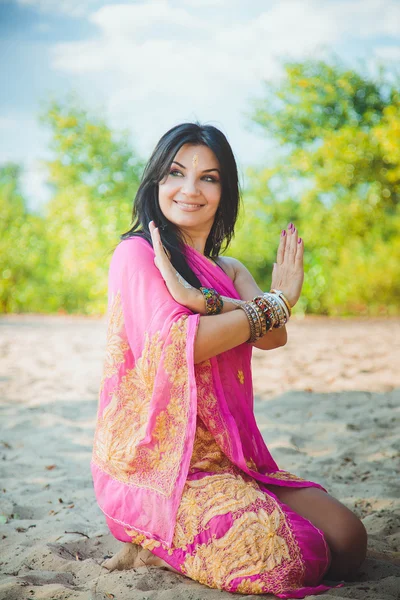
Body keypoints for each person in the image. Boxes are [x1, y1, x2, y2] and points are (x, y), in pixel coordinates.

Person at [91, 122, 367, 598]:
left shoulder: (228, 269)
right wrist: (273, 302)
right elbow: (180, 344)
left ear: (226, 191)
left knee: (348, 540)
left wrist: (220, 302)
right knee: (283, 561)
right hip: (161, 468)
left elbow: (273, 336)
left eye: (209, 177)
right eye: (176, 173)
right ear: (156, 180)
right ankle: (152, 541)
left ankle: (223, 516)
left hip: (232, 456)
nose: (190, 190)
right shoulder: (136, 254)